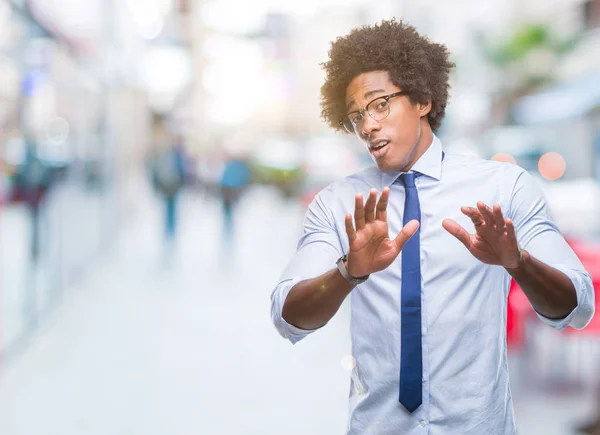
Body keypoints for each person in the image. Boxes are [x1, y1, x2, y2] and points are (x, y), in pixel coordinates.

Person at [270, 19, 595, 434]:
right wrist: (346, 273)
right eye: (356, 116)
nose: (368, 126)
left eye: (380, 104)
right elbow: (287, 316)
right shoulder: (338, 205)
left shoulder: (503, 187)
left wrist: (519, 264)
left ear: (422, 99)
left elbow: (578, 308)